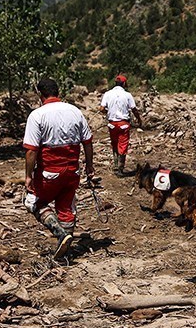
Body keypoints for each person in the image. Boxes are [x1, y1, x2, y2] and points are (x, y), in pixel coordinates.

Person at [23, 78, 95, 262]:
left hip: (49, 172)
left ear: (40, 94)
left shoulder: (37, 115)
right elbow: (87, 142)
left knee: (33, 202)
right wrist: (89, 166)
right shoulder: (75, 111)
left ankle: (60, 233)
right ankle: (67, 251)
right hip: (72, 171)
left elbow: (31, 150)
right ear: (58, 92)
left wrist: (28, 176)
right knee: (66, 208)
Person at [100, 74, 143, 176]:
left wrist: (109, 113)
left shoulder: (107, 94)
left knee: (114, 144)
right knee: (123, 145)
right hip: (123, 124)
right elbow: (134, 109)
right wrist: (139, 120)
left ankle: (115, 165)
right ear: (124, 83)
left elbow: (101, 109)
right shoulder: (127, 95)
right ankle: (120, 169)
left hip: (112, 124)